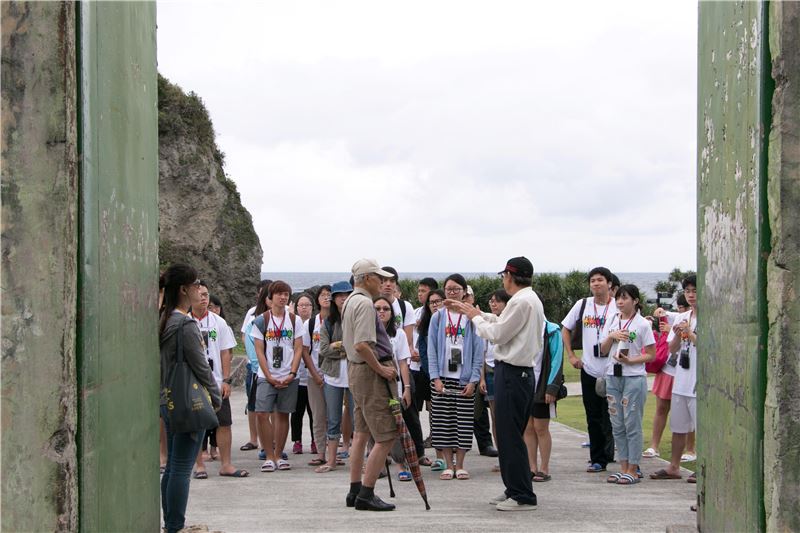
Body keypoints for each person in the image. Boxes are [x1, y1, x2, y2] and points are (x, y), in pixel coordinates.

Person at [447, 256, 545, 511]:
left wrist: (473, 317)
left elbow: (498, 333)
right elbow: (502, 323)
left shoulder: (523, 301)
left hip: (514, 373)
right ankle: (515, 488)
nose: (503, 280)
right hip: (513, 373)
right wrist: (476, 313)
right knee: (508, 434)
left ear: (510, 276)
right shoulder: (524, 300)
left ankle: (523, 495)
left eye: (504, 276)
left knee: (510, 436)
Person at [159, 264, 221, 533]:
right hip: (189, 401)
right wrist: (216, 396)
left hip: (168, 397)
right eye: (196, 284)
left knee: (173, 466)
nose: (200, 289)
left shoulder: (163, 318)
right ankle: (175, 526)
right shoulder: (185, 323)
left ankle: (172, 523)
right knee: (182, 468)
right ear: (184, 289)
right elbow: (201, 366)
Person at [341, 259, 398, 511]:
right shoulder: (364, 303)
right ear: (366, 279)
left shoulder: (351, 300)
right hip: (369, 373)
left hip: (356, 371)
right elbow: (362, 345)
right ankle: (366, 493)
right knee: (385, 435)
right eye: (378, 277)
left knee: (362, 433)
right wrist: (382, 369)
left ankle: (355, 490)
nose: (383, 282)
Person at [427, 274, 484, 481]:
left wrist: (474, 380)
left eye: (456, 289)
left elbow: (479, 351)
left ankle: (460, 464)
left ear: (464, 292)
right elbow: (431, 349)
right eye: (449, 289)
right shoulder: (438, 317)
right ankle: (448, 465)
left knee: (463, 422)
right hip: (442, 377)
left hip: (464, 378)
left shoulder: (471, 317)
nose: (452, 292)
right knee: (443, 422)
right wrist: (435, 377)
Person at [562, 266, 617, 473]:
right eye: (592, 280)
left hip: (613, 368)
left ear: (609, 283)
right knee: (593, 416)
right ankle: (597, 459)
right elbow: (565, 328)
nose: (596, 284)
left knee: (613, 414)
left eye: (600, 280)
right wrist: (572, 355)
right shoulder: (582, 304)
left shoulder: (617, 306)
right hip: (590, 368)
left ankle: (612, 453)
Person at [599, 285, 656, 486]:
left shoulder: (642, 324)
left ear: (636, 301)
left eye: (625, 298)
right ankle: (623, 467)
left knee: (632, 423)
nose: (620, 302)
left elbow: (651, 353)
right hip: (612, 376)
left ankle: (633, 467)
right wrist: (611, 336)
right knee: (617, 424)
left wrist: (631, 361)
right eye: (618, 298)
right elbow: (603, 349)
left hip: (633, 377)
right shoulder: (612, 320)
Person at [189, 283, 246, 479]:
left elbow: (225, 352)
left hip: (216, 381)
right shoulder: (185, 322)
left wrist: (226, 380)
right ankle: (199, 465)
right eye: (200, 295)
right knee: (196, 424)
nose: (204, 299)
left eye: (206, 295)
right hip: (194, 383)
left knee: (224, 422)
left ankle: (226, 464)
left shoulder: (219, 323)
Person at [250, 280, 305, 472]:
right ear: (269, 298)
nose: (283, 298)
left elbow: (298, 348)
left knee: (283, 414)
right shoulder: (260, 321)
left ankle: (279, 454)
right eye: (279, 294)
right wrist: (269, 375)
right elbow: (259, 351)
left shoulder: (294, 320)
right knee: (262, 413)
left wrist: (292, 373)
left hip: (289, 375)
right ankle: (269, 456)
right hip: (267, 376)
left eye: (286, 295)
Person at [651, 275, 698, 482]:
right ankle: (674, 466)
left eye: (695, 290)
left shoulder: (713, 317)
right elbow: (671, 348)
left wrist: (691, 334)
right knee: (678, 426)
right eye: (687, 290)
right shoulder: (682, 317)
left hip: (700, 381)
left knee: (701, 427)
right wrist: (679, 335)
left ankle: (703, 467)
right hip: (681, 379)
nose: (691, 294)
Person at [374, 295, 422, 481]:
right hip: (374, 387)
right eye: (377, 309)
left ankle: (402, 464)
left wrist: (407, 388)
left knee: (398, 426)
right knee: (375, 426)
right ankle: (377, 464)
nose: (381, 312)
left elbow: (403, 363)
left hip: (395, 387)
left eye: (385, 309)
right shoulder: (368, 333)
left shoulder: (399, 334)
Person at [642, 293, 690, 459]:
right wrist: (661, 313)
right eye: (680, 307)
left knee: (689, 412)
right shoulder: (679, 317)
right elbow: (663, 313)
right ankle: (654, 446)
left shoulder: (696, 318)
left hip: (686, 372)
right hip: (669, 369)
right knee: (661, 408)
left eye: (684, 308)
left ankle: (691, 450)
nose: (681, 310)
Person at [316, 281, 354, 473]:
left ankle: (361, 460)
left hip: (355, 376)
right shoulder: (328, 322)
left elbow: (361, 347)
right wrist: (344, 348)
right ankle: (330, 461)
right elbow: (323, 350)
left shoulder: (357, 317)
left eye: (347, 294)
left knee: (359, 419)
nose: (343, 298)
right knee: (333, 420)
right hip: (333, 376)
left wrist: (336, 346)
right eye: (339, 295)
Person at [525, 316, 565, 483]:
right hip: (525, 383)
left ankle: (544, 468)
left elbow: (557, 359)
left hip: (543, 385)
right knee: (527, 427)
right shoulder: (524, 325)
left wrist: (552, 387)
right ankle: (531, 467)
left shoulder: (551, 330)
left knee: (541, 427)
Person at [480, 289, 509, 473]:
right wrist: (482, 378)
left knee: (509, 416)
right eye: (491, 301)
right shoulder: (488, 323)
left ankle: (512, 454)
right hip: (490, 371)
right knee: (495, 417)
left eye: (497, 301)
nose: (493, 304)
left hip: (506, 369)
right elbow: (482, 352)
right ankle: (501, 454)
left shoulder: (509, 322)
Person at [240, 279, 271, 452]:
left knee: (272, 407)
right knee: (253, 404)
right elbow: (245, 335)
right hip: (254, 366)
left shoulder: (283, 314)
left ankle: (271, 440)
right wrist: (252, 357)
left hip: (274, 367)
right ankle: (254, 439)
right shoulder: (252, 314)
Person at [303, 286, 331, 467]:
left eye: (330, 295)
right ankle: (321, 452)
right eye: (323, 295)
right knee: (318, 415)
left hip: (337, 376)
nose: (327, 298)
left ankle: (338, 451)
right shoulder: (310, 323)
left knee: (338, 416)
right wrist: (314, 374)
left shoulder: (341, 321)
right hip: (315, 376)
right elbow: (305, 351)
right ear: (317, 300)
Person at [291, 293, 316, 455]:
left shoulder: (316, 324)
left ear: (312, 308)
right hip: (297, 376)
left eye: (307, 305)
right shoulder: (292, 324)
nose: (304, 308)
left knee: (314, 412)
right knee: (297, 412)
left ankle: (316, 441)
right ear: (296, 307)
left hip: (313, 376)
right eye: (301, 305)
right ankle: (297, 441)